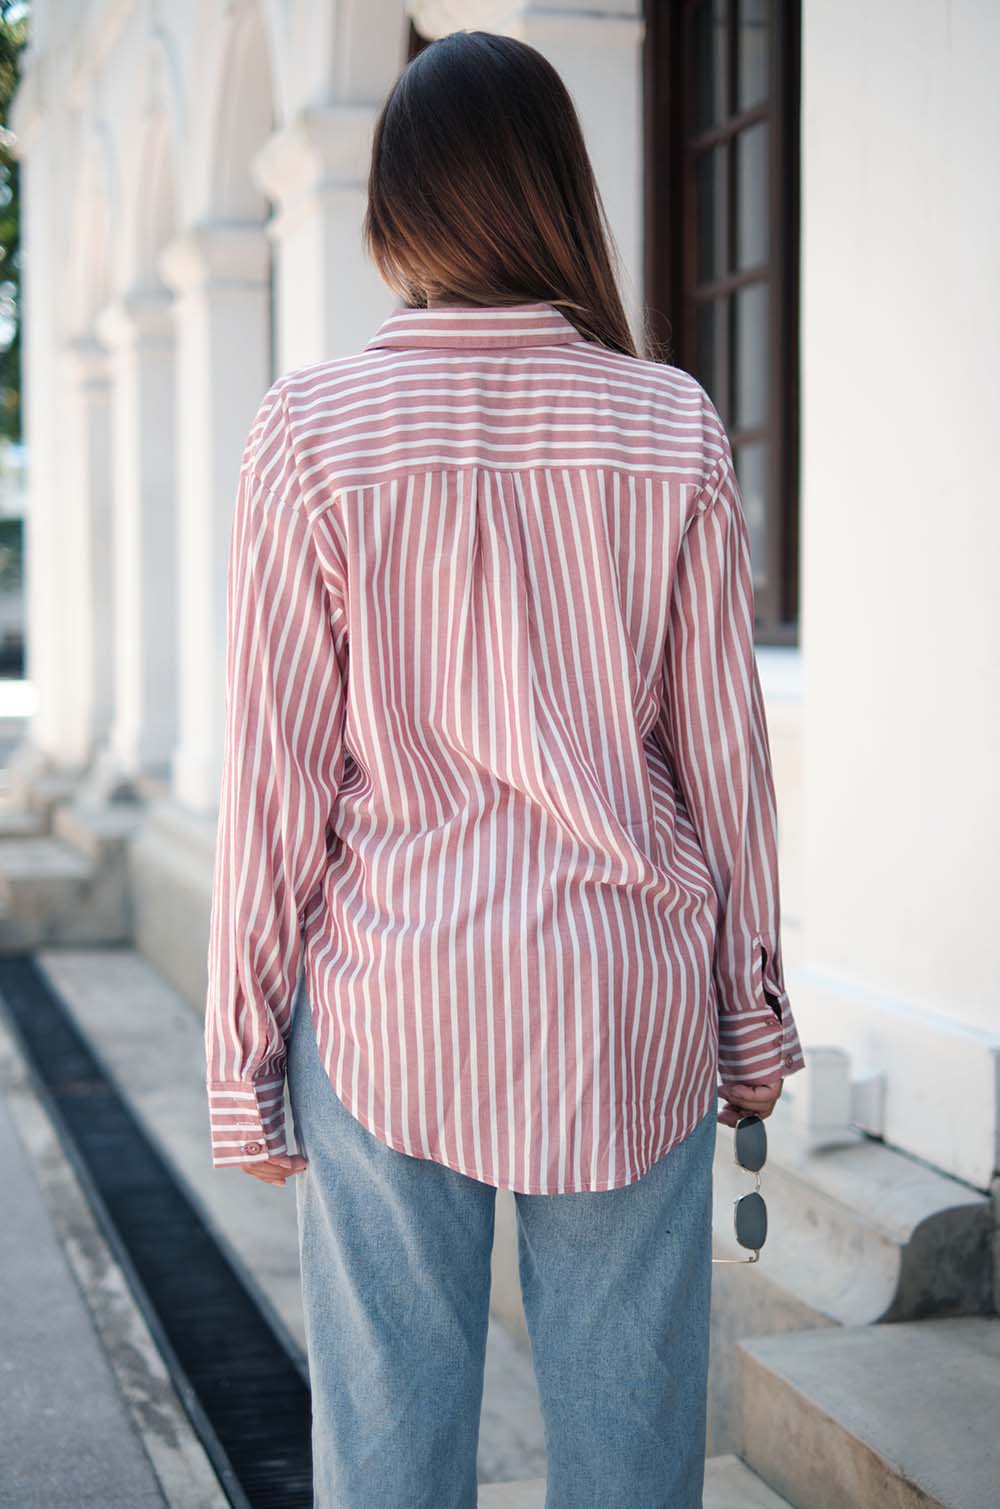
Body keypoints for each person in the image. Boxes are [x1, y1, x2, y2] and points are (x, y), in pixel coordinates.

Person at [203, 28, 807, 1509]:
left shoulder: (308, 431)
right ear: (559, 191)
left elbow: (274, 777)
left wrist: (243, 1058)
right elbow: (724, 758)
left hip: (391, 997)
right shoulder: (669, 421)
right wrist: (749, 1013)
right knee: (630, 1454)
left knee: (389, 1457)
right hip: (622, 999)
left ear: (396, 208)